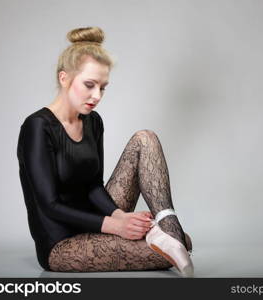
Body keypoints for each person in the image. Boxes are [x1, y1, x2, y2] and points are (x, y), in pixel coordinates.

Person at [16, 26, 194, 276]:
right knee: (184, 244)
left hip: (99, 220)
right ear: (64, 78)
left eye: (103, 87)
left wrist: (121, 216)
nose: (97, 96)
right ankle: (171, 238)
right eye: (89, 85)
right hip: (61, 243)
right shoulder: (37, 127)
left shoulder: (93, 121)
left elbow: (93, 186)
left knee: (145, 138)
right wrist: (116, 226)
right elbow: (49, 205)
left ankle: (167, 225)